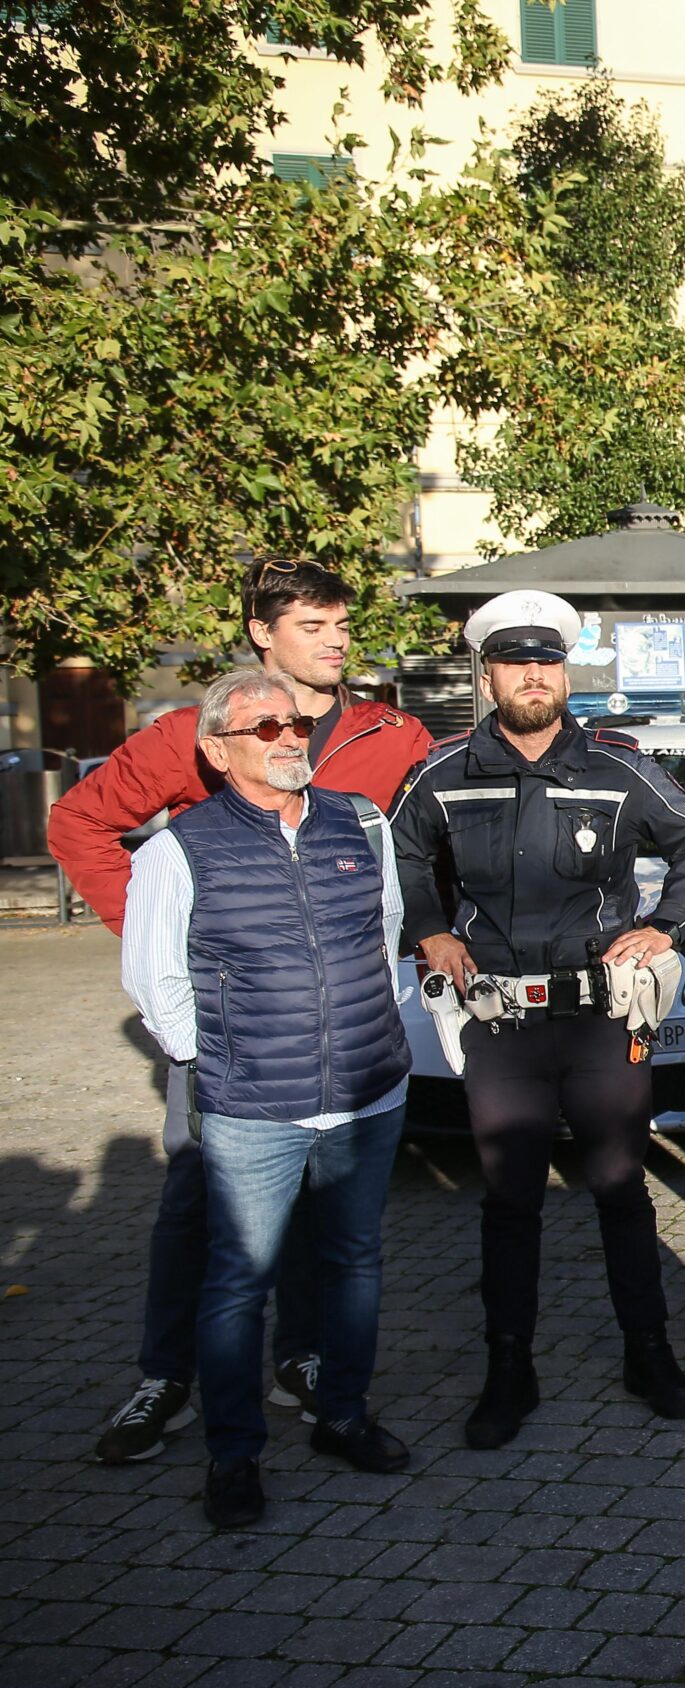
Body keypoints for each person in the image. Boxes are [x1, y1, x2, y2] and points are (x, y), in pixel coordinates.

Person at [56, 559, 430, 1467]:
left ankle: (302, 1362)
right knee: (201, 1204)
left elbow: (413, 865)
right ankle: (167, 1378)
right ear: (264, 632)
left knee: (327, 1205)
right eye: (313, 624)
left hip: (343, 1028)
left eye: (343, 623)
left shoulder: (392, 733)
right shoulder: (191, 732)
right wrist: (167, 939)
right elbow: (77, 825)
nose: (336, 639)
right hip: (233, 1029)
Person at [388, 589, 685, 1447]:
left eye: (547, 662)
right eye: (515, 662)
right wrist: (426, 926)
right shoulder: (443, 771)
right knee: (509, 1200)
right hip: (501, 1024)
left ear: (564, 672)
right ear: (488, 674)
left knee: (620, 1188)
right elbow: (404, 849)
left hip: (600, 1020)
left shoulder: (618, 767)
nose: (534, 676)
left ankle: (649, 1353)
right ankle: (509, 1370)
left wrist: (666, 924)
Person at [121, 668, 413, 1528]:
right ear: (216, 750)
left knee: (354, 1263)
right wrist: (218, 1061)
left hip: (366, 1093)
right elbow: (155, 978)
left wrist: (368, 1037)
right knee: (237, 1284)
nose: (290, 737)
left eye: (295, 724)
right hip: (253, 1106)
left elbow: (385, 931)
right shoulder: (180, 847)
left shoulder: (361, 822)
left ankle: (344, 1414)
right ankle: (234, 1454)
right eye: (265, 727)